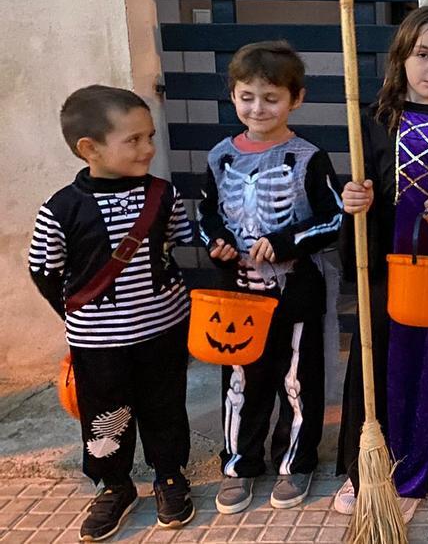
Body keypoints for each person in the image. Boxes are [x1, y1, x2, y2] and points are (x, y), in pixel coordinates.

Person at [334, 6, 428, 520]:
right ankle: (368, 470)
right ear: (402, 57)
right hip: (385, 265)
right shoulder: (375, 123)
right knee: (377, 360)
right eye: (423, 55)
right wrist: (354, 202)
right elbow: (363, 189)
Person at [29, 85, 195, 541]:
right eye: (134, 140)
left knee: (164, 405)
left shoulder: (163, 194)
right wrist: (80, 318)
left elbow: (174, 243)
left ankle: (169, 475)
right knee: (107, 413)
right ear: (90, 148)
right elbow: (45, 271)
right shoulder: (61, 209)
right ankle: (114, 484)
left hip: (163, 326)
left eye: (150, 137)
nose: (147, 149)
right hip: (98, 340)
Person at [197, 41, 343, 514]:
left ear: (295, 100)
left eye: (271, 98)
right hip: (238, 296)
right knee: (241, 382)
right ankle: (239, 464)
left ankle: (296, 462)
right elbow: (205, 214)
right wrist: (217, 245)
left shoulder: (308, 156)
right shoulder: (220, 155)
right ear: (233, 96)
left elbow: (333, 219)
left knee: (297, 381)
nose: (258, 108)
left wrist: (285, 243)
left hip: (295, 290)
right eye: (247, 97)